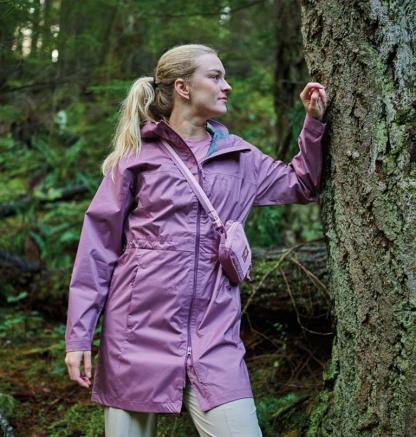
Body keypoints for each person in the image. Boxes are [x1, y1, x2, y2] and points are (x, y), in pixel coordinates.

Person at [64, 43, 327, 436]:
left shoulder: (241, 157)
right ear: (183, 87)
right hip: (135, 336)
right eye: (215, 76)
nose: (227, 86)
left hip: (215, 338)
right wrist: (79, 336)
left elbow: (302, 184)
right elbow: (97, 250)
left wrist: (314, 122)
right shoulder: (138, 156)